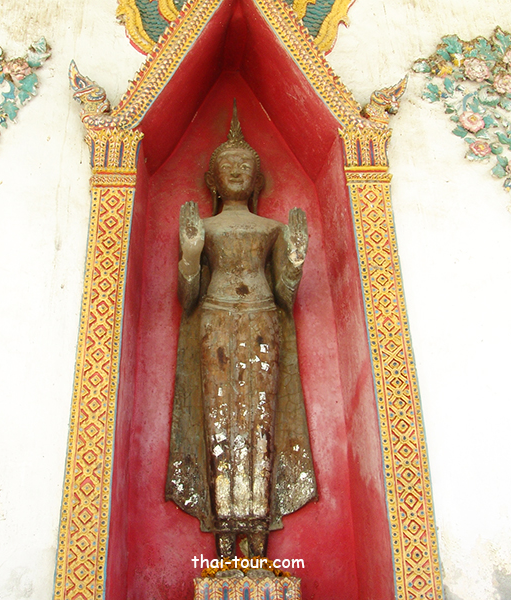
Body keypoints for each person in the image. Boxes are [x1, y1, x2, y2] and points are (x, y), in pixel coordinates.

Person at [166, 106, 316, 559]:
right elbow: (189, 298)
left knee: (260, 423)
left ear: (257, 180)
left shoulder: (272, 229)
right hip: (214, 321)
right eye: (228, 165)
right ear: (212, 180)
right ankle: (224, 541)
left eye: (244, 166)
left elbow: (285, 297)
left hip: (262, 320)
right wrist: (190, 254)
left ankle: (258, 538)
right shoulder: (204, 228)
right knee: (218, 420)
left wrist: (294, 262)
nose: (236, 171)